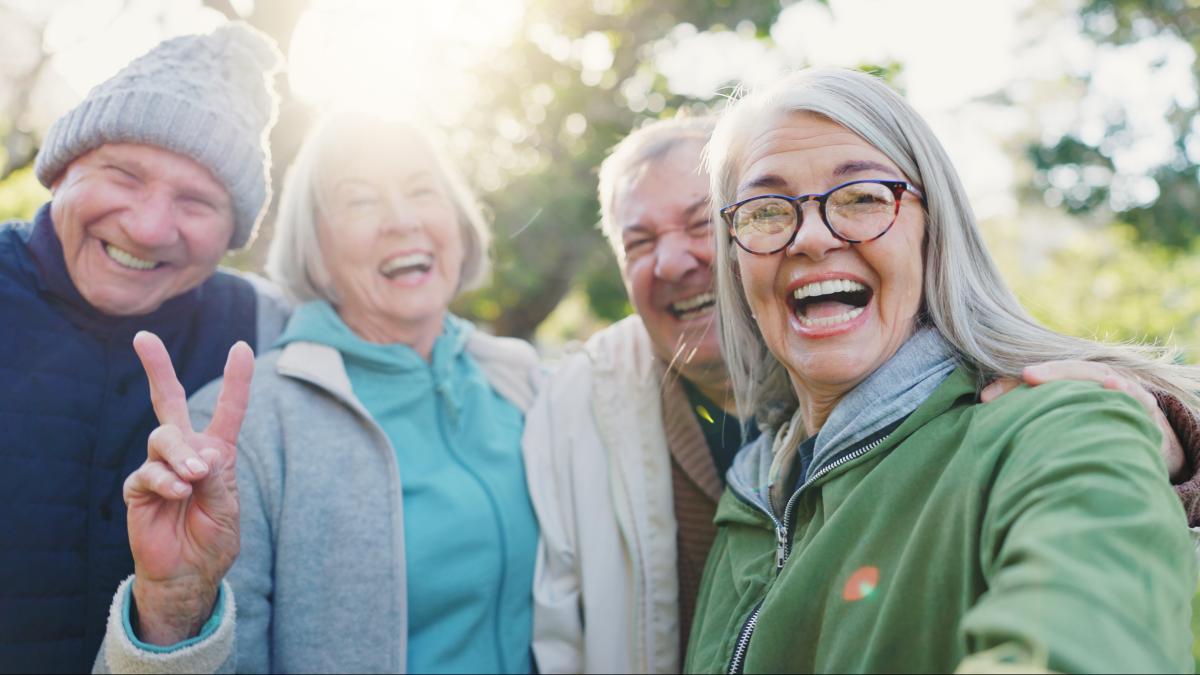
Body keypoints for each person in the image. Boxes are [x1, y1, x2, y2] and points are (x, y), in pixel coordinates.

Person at [684, 67, 1200, 673]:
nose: (812, 237)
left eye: (862, 197)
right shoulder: (751, 495)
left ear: (935, 230)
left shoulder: (1054, 424)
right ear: (735, 258)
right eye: (766, 210)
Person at [93, 112, 543, 673]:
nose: (402, 221)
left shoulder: (522, 383)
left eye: (422, 190)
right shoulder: (246, 428)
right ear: (316, 246)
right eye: (359, 201)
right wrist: (172, 612)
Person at [0, 23, 286, 674]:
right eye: (124, 175)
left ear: (232, 234)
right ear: (61, 170)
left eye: (198, 200)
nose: (151, 225)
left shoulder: (261, 328)